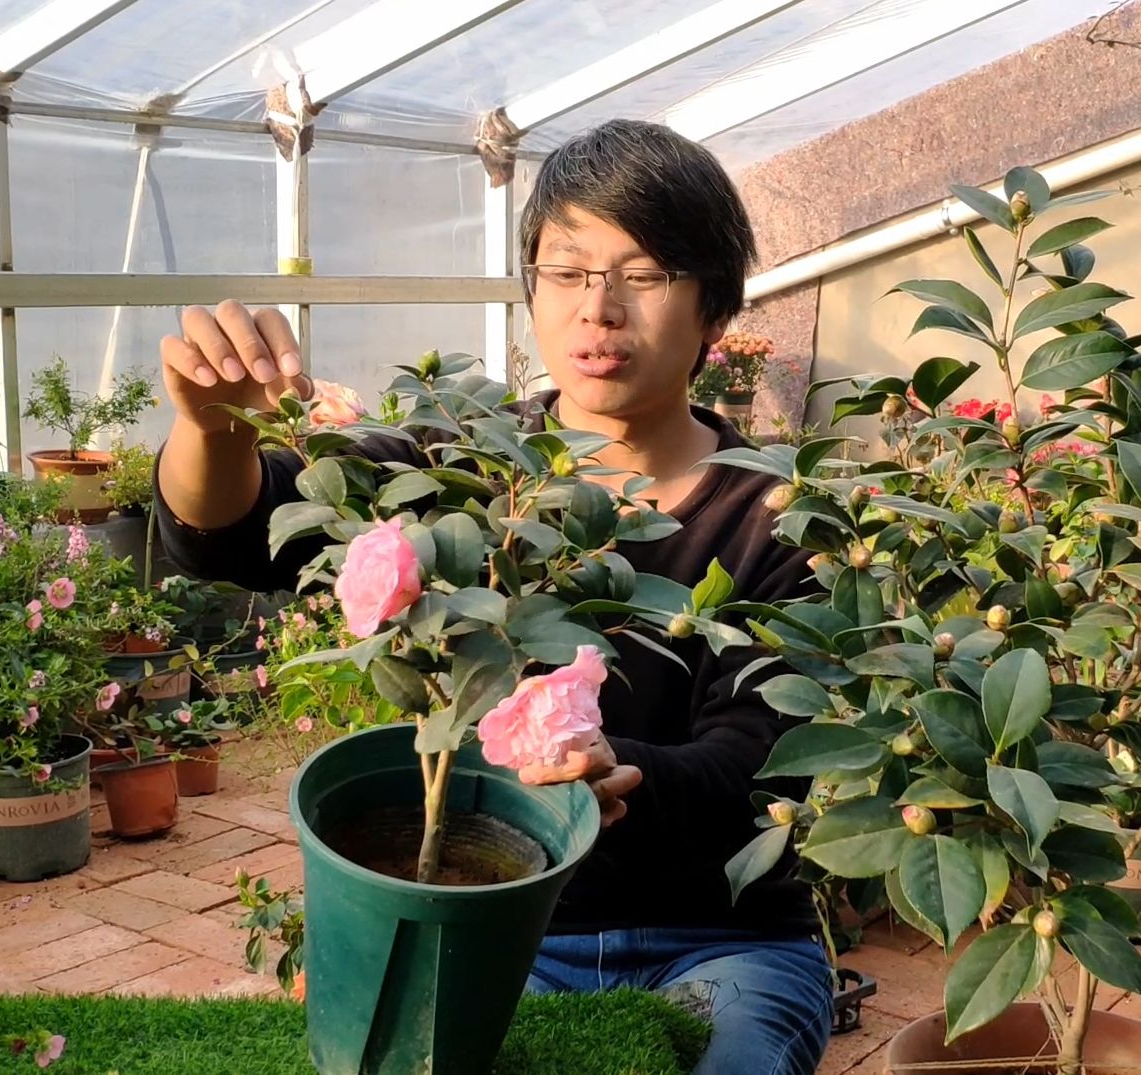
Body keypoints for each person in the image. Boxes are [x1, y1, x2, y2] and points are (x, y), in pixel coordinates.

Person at [152, 119, 833, 1075]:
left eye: (642, 275)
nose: (599, 309)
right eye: (566, 270)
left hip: (721, 940)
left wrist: (614, 764)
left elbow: (763, 761)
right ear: (531, 289)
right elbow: (230, 532)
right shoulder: (464, 469)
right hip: (495, 918)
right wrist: (213, 428)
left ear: (713, 307)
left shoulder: (781, 517)